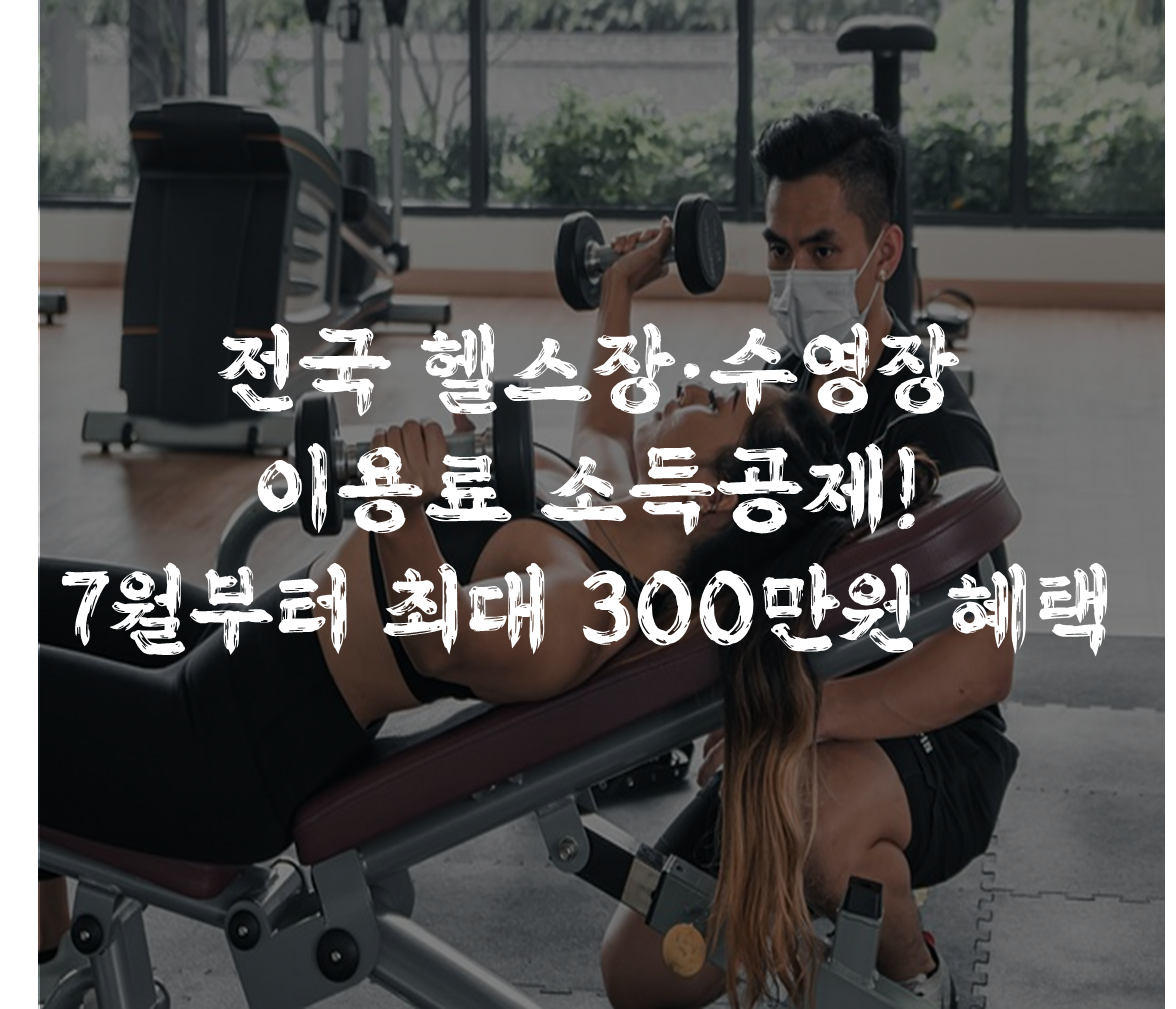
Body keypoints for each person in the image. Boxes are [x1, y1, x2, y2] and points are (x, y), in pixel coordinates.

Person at [36, 243, 885, 990]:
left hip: (227, 744)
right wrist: (619, 291)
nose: (693, 383)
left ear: (720, 497)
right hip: (227, 647)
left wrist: (403, 504)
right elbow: (602, 415)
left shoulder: (584, 604)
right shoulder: (611, 510)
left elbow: (440, 638)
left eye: (719, 401)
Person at [598, 109, 1019, 1009]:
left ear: (884, 253)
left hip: (931, 740)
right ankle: (856, 897)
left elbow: (986, 659)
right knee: (640, 973)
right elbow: (637, 487)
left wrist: (806, 713)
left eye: (824, 251)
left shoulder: (934, 420)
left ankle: (918, 976)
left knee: (815, 831)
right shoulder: (771, 395)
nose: (796, 278)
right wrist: (616, 301)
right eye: (780, 251)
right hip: (790, 735)